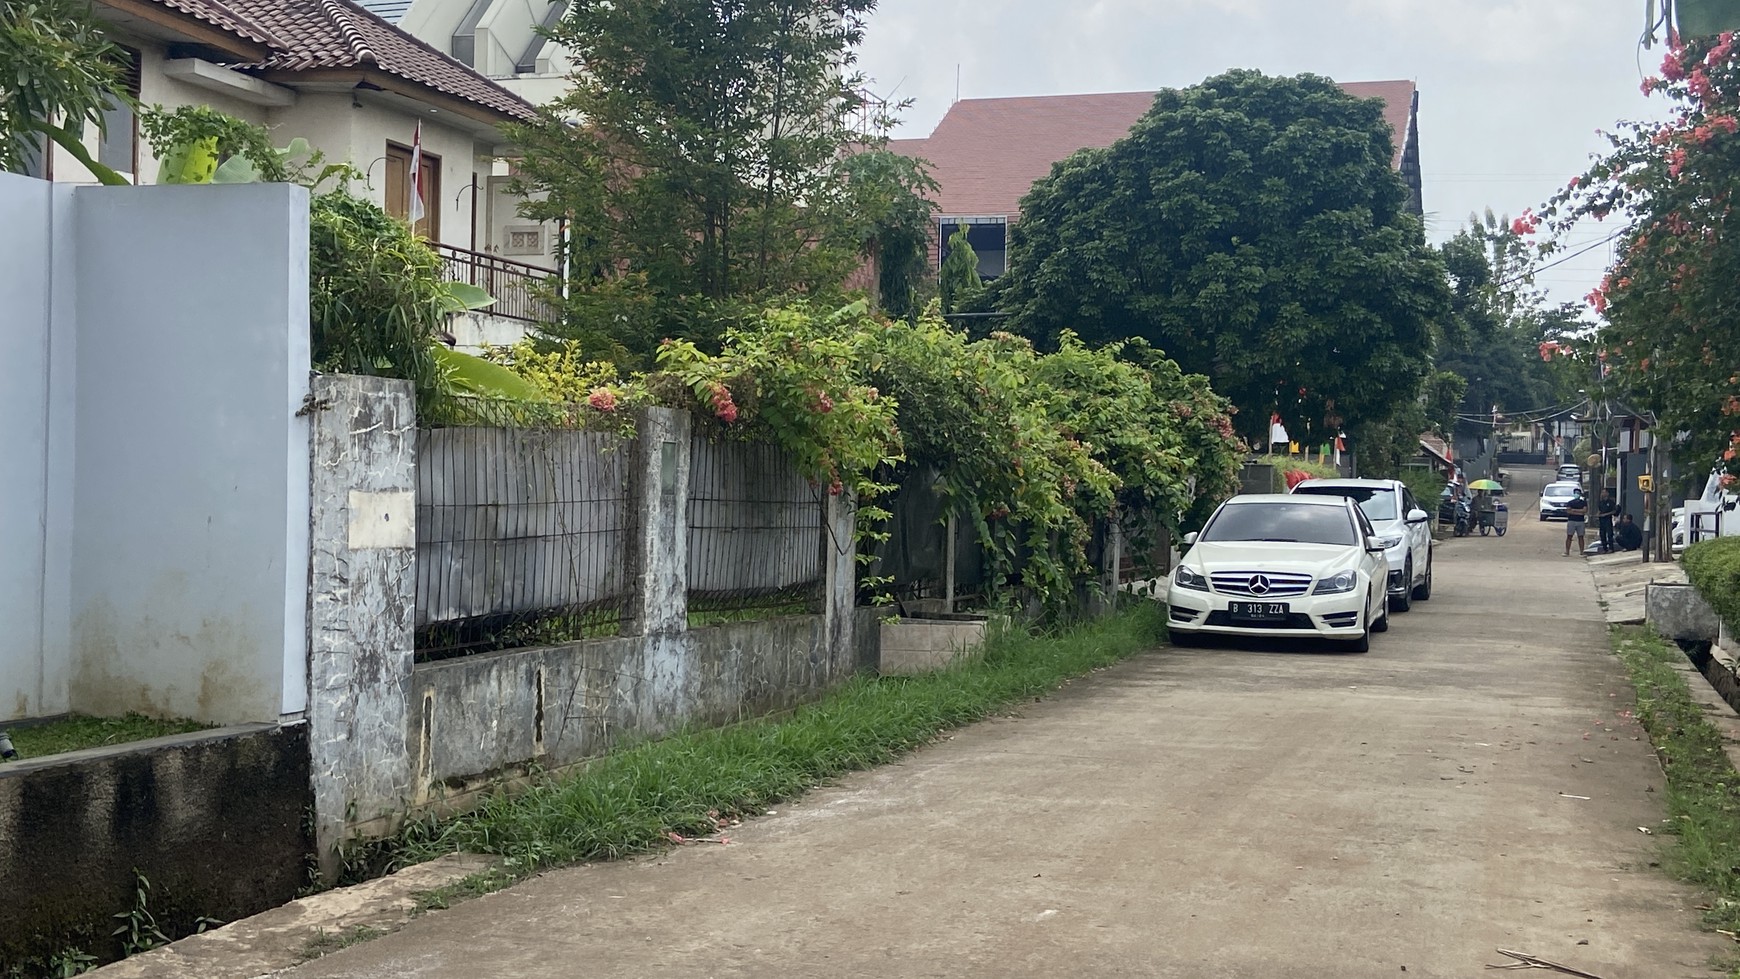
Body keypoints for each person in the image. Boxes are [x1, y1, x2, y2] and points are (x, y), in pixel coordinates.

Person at [1564, 489, 1589, 556]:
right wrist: (1579, 511)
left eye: (1578, 493)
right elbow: (1568, 511)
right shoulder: (1570, 502)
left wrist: (1574, 510)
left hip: (1580, 521)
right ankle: (1567, 552)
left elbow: (1584, 511)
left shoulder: (1583, 502)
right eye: (1575, 493)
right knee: (1569, 536)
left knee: (1581, 537)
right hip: (1571, 521)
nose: (1576, 494)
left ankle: (1581, 552)